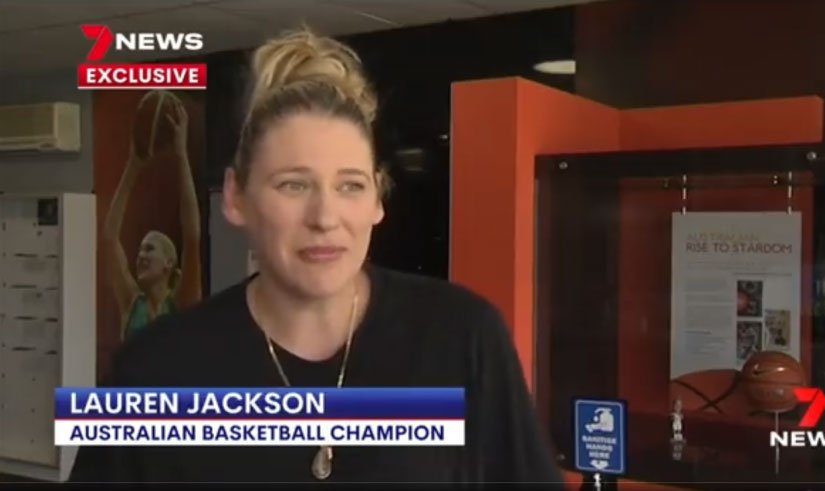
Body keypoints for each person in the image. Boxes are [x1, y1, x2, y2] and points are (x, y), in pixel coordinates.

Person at [69, 28, 564, 486]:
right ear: (236, 197)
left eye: (350, 185)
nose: (325, 216)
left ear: (377, 200)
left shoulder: (461, 338)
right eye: (293, 185)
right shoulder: (155, 370)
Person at [103, 93, 203, 340]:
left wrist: (181, 155)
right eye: (140, 250)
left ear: (169, 263)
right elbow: (109, 238)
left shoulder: (182, 304)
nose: (140, 256)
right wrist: (133, 165)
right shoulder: (131, 303)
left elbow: (191, 236)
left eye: (149, 249)